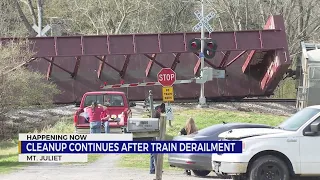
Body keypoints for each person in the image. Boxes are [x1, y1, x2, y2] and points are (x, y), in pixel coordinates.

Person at [149, 103, 165, 174]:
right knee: (155, 154)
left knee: (154, 154)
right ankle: (154, 169)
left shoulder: (155, 117)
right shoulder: (157, 117)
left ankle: (153, 169)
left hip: (154, 138)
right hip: (155, 138)